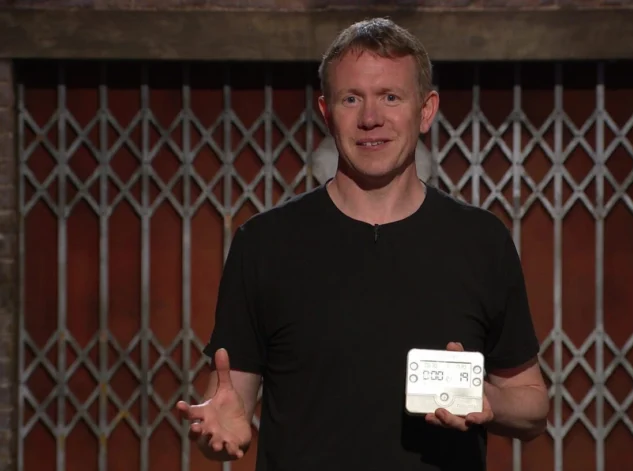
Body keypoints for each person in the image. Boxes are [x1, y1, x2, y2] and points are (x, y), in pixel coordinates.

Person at [176, 17, 549, 471]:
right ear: (326, 111)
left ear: (426, 110)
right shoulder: (264, 243)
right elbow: (228, 405)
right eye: (351, 98)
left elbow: (533, 404)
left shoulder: (482, 241)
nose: (371, 119)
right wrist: (216, 435)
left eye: (390, 97)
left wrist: (489, 401)